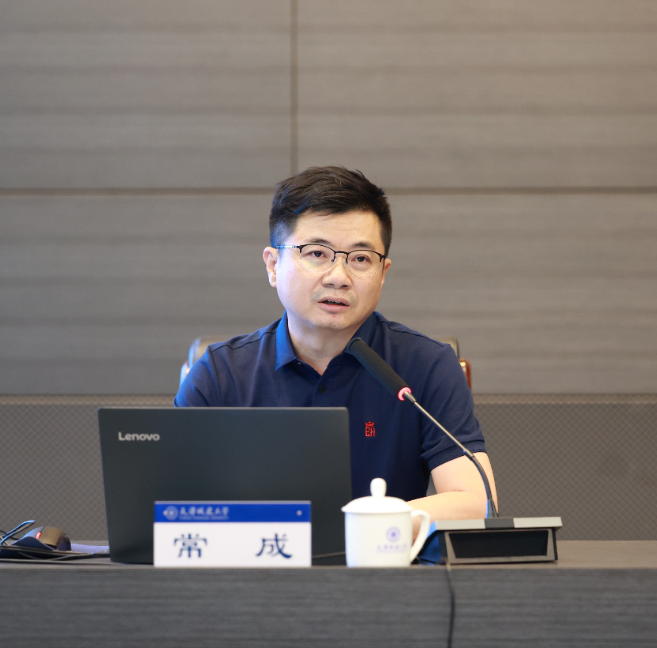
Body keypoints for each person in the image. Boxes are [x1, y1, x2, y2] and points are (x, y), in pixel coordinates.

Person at [176, 166, 496, 533]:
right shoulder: (220, 373)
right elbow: (166, 504)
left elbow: (476, 502)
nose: (338, 277)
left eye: (360, 259)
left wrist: (361, 528)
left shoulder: (426, 365)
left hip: (383, 566)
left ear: (383, 273)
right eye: (316, 253)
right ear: (273, 265)